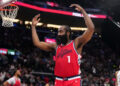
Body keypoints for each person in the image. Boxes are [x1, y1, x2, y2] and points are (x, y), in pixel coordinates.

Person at [31, 4, 94, 86]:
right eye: (58, 32)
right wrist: (33, 26)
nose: (58, 34)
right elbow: (37, 43)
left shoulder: (76, 43)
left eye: (61, 31)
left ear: (68, 33)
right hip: (59, 80)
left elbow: (91, 28)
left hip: (73, 80)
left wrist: (82, 11)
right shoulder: (55, 46)